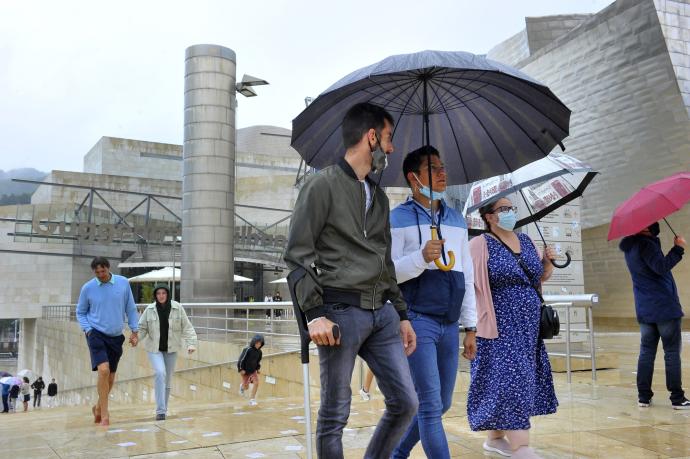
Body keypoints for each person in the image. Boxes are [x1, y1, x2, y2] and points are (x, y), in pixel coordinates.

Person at [285, 102, 418, 459]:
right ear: (371, 137)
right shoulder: (320, 186)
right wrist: (315, 314)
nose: (391, 149)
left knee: (406, 403)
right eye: (388, 139)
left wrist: (402, 314)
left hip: (383, 314)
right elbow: (297, 257)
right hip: (340, 315)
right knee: (334, 416)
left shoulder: (378, 199)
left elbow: (385, 262)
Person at [390, 146, 477, 459]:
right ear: (414, 178)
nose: (443, 174)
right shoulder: (397, 218)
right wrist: (420, 257)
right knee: (429, 405)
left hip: (450, 323)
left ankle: (396, 453)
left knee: (442, 404)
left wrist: (471, 326)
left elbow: (465, 275)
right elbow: (387, 273)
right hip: (417, 320)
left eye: (443, 167)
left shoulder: (456, 220)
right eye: (433, 168)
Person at [468, 197, 558, 459]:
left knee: (514, 379)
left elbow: (537, 278)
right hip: (497, 326)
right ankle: (521, 446)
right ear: (489, 217)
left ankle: (495, 438)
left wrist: (548, 263)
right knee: (510, 379)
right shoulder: (479, 244)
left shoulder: (527, 241)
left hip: (528, 327)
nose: (509, 213)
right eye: (503, 209)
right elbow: (470, 285)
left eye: (511, 208)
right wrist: (470, 327)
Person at [619, 222, 690, 409]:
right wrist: (678, 248)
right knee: (672, 352)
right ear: (647, 228)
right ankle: (677, 398)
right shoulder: (646, 244)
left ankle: (644, 396)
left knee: (647, 352)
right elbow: (660, 267)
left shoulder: (630, 247)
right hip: (664, 308)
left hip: (645, 308)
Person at [76, 256, 139, 426]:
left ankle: (97, 406)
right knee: (103, 371)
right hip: (95, 333)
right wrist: (88, 330)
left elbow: (130, 308)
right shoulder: (87, 288)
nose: (100, 275)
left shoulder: (123, 283)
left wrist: (135, 331)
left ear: (108, 268)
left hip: (116, 335)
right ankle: (105, 414)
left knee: (110, 377)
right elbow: (80, 312)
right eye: (97, 272)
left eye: (103, 271)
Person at [138, 283, 198, 420]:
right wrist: (136, 339)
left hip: (171, 349)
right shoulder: (150, 309)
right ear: (155, 295)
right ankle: (160, 410)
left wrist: (191, 344)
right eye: (158, 294)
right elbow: (142, 328)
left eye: (163, 293)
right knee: (160, 372)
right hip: (154, 349)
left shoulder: (178, 308)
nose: (161, 296)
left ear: (168, 294)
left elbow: (187, 327)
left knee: (168, 380)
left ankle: (163, 410)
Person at [237, 334, 264, 406]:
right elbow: (241, 360)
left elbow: (257, 361)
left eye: (260, 343)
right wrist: (240, 369)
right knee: (246, 387)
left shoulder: (259, 352)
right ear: (254, 342)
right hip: (245, 370)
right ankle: (242, 387)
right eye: (257, 343)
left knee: (256, 383)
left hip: (253, 370)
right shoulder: (247, 349)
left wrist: (257, 369)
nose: (259, 344)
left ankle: (252, 399)